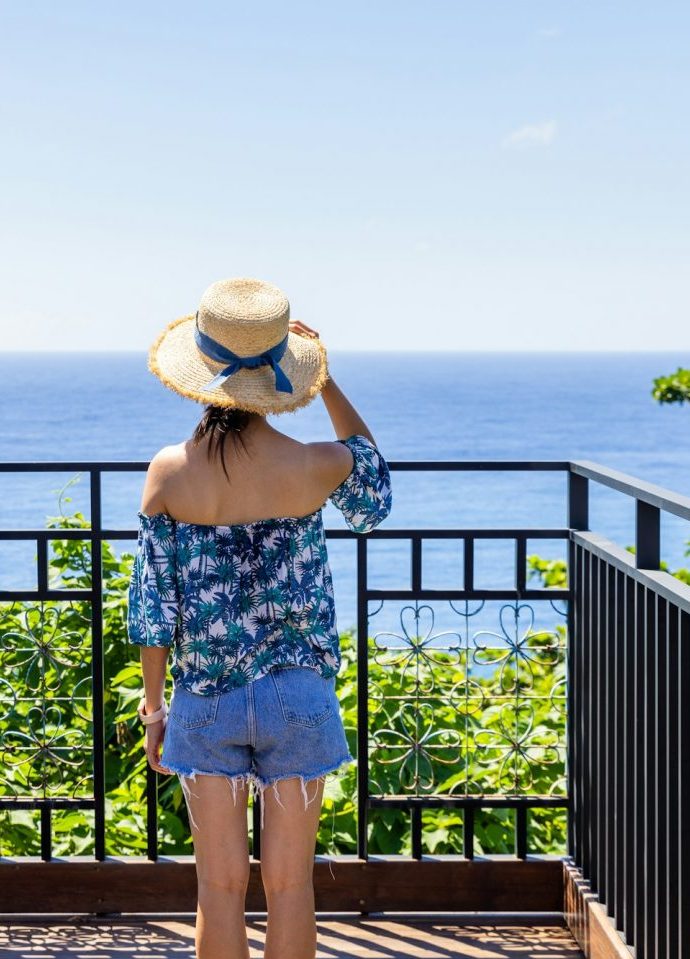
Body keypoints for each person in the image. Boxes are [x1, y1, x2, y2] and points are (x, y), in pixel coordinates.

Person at [126, 277, 393, 959]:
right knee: (291, 886)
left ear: (203, 374)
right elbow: (374, 492)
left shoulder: (167, 471)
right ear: (281, 381)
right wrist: (326, 380)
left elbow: (154, 607)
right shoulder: (312, 464)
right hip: (298, 699)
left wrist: (155, 709)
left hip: (206, 699)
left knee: (218, 886)